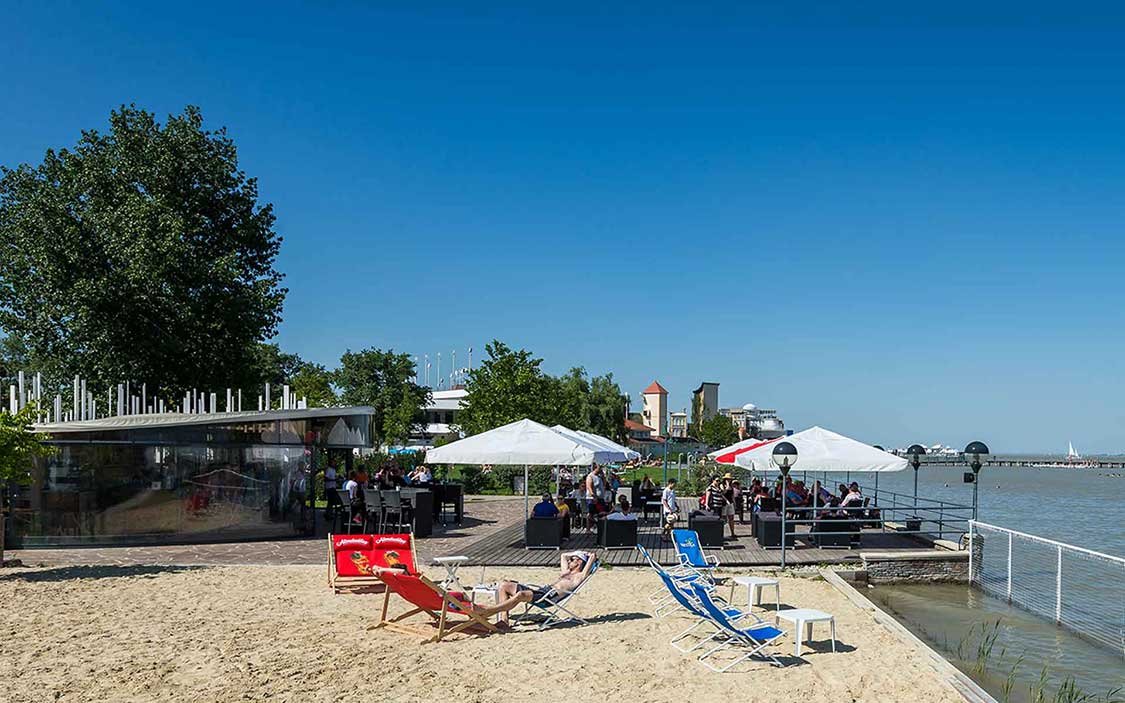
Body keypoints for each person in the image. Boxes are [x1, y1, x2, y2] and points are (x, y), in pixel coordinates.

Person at [494, 551, 597, 624]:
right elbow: (563, 555)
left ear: (579, 562)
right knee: (504, 585)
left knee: (520, 595)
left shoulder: (579, 576)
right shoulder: (566, 572)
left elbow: (593, 556)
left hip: (548, 597)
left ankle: (490, 610)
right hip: (542, 591)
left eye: (572, 560)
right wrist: (573, 554)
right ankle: (504, 621)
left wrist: (588, 555)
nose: (569, 561)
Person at [661, 478, 679, 542]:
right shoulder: (666, 490)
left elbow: (673, 500)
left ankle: (667, 535)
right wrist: (668, 509)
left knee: (672, 524)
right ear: (670, 483)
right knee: (669, 523)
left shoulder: (673, 490)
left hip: (673, 508)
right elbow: (664, 500)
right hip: (668, 510)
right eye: (674, 484)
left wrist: (677, 506)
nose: (675, 485)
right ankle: (663, 534)